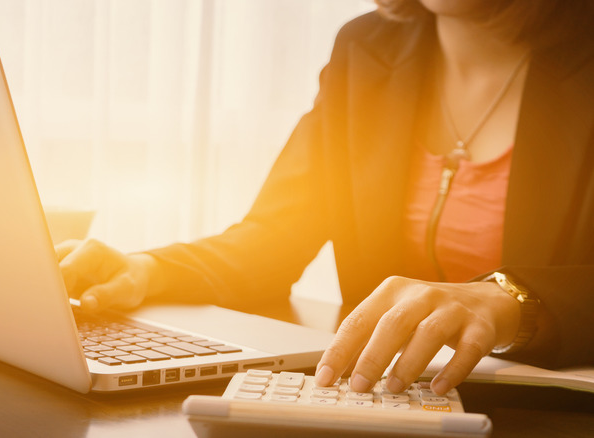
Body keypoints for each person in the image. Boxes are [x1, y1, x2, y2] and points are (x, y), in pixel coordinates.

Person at [56, 0, 594, 396]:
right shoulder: (366, 47)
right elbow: (276, 232)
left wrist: (511, 302)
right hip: (381, 399)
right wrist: (147, 269)